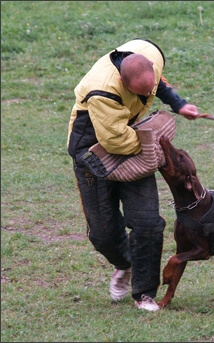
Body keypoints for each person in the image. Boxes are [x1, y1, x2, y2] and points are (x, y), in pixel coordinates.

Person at [67, 38, 199, 311]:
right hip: (94, 143)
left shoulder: (150, 57)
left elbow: (159, 83)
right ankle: (124, 264)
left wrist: (178, 104)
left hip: (132, 137)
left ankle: (144, 293)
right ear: (123, 83)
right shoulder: (102, 91)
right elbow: (115, 141)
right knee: (102, 233)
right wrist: (154, 142)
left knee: (148, 222)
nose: (148, 93)